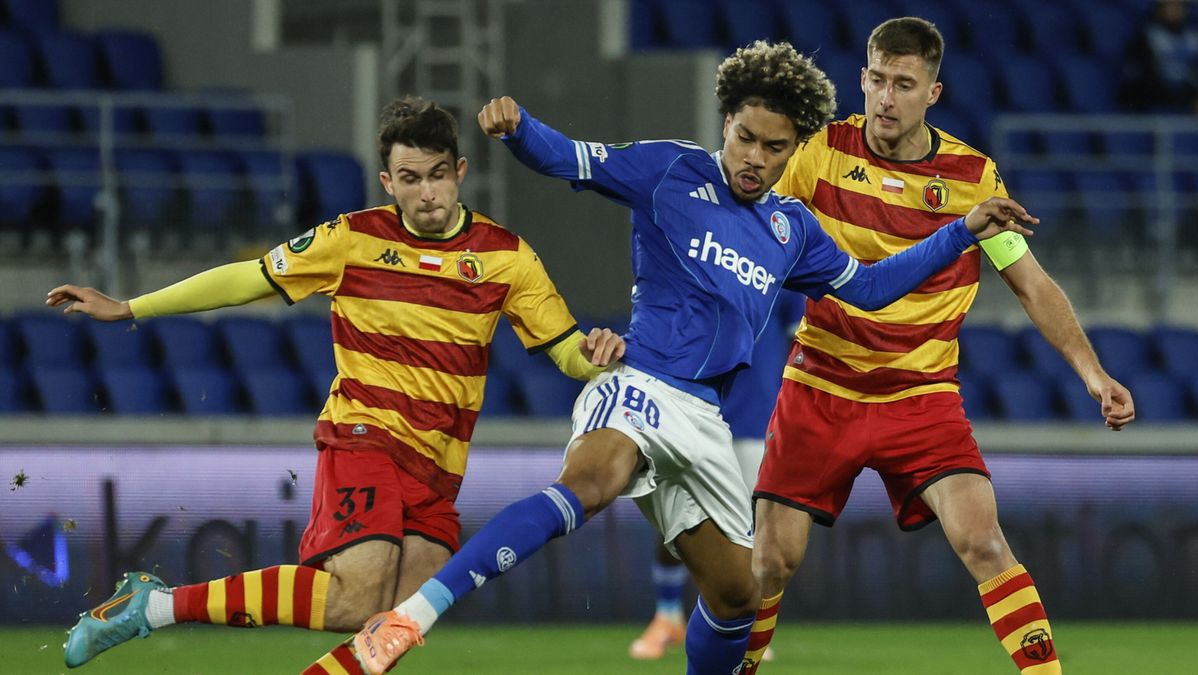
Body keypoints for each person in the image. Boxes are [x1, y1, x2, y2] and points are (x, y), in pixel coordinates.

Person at [302, 40, 1038, 675]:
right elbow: (573, 160)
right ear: (727, 122)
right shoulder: (670, 171)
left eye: (775, 147)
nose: (755, 158)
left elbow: (872, 288)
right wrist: (519, 128)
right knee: (592, 482)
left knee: (736, 595)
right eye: (746, 137)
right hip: (641, 381)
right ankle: (409, 618)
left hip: (704, 422)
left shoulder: (793, 228)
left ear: (795, 148)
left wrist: (962, 229)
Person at [50, 95, 625, 669]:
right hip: (363, 435)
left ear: (460, 173)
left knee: (398, 617)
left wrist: (595, 355)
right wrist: (130, 308)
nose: (428, 193)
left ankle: (156, 607)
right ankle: (154, 608)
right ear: (387, 182)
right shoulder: (351, 239)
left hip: (439, 467)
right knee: (357, 595)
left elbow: (566, 351)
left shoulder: (507, 258)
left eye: (439, 176)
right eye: (410, 179)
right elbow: (246, 279)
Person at [741, 18, 1137, 675]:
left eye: (903, 84)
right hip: (822, 385)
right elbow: (752, 244)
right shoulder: (819, 153)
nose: (885, 98)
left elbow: (1031, 285)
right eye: (875, 80)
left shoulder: (973, 179)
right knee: (768, 561)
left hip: (919, 397)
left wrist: (1094, 374)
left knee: (983, 540)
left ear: (934, 92)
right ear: (861, 79)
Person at [628, 295, 802, 662]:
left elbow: (801, 338)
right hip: (689, 402)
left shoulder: (786, 249)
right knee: (675, 516)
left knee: (750, 527)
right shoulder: (695, 247)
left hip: (756, 411)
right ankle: (668, 615)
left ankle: (747, 625)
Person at [1121, 0, 1198, 113]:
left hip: (1189, 98)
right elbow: (1143, 76)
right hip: (1159, 100)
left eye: (1180, 6)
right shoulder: (1147, 36)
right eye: (1171, 6)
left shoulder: (1194, 37)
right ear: (1159, 9)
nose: (1176, 10)